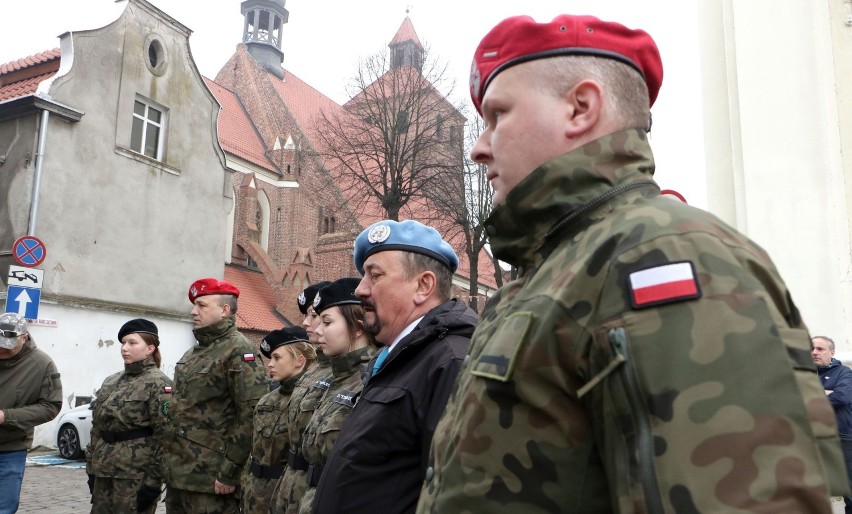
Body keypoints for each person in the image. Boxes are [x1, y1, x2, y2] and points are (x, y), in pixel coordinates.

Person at [416, 14, 848, 514]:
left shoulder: (660, 255)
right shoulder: (558, 268)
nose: (478, 147)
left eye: (498, 116)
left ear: (581, 107)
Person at [312, 220, 477, 514]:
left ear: (423, 286)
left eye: (374, 276)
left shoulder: (450, 362)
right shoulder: (397, 355)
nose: (361, 289)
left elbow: (451, 494)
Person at [162, 278, 268, 513]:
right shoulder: (193, 353)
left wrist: (229, 472)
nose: (193, 311)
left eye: (202, 305)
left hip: (212, 480)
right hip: (180, 476)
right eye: (194, 305)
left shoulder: (239, 350)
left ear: (225, 310)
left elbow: (250, 414)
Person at [297, 277, 375, 513]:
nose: (318, 330)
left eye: (327, 322)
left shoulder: (371, 380)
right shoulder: (335, 376)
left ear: (358, 327)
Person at [87, 318, 173, 513]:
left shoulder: (159, 383)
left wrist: (152, 483)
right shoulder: (111, 381)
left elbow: (166, 437)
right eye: (123, 342)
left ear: (150, 348)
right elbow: (97, 427)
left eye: (132, 343)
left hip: (134, 474)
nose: (125, 348)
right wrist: (91, 468)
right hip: (103, 470)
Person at [270, 281, 333, 514]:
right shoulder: (315, 369)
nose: (306, 323)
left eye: (315, 316)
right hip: (290, 484)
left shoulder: (343, 373)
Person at [241, 327, 317, 514]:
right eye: (270, 358)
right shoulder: (268, 399)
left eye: (277, 357)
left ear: (299, 360)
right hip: (254, 495)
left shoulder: (311, 400)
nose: (270, 364)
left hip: (284, 496)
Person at [0, 312, 62, 514]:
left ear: (24, 337)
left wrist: (6, 416)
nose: (1, 349)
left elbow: (50, 406)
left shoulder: (42, 364)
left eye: (7, 346)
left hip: (10, 448)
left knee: (5, 507)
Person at [813, 335, 852, 513]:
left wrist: (811, 395)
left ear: (832, 352)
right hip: (811, 440)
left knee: (849, 491)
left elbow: (842, 397)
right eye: (811, 349)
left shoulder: (844, 373)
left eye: (820, 349)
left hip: (842, 439)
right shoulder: (803, 375)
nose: (814, 352)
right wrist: (826, 392)